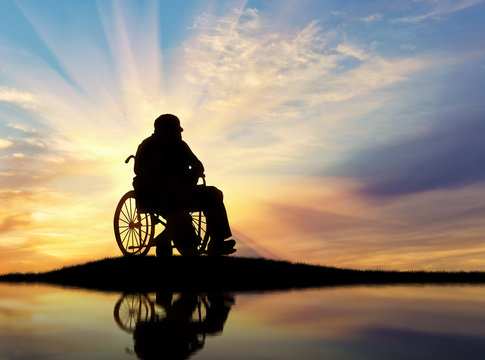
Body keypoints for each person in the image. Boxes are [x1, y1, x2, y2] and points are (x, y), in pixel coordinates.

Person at [133, 114, 236, 255]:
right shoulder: (147, 146)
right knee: (179, 213)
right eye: (176, 130)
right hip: (156, 195)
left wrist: (190, 180)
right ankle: (175, 239)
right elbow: (139, 171)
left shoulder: (180, 145)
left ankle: (217, 242)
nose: (180, 133)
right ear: (166, 130)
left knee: (214, 193)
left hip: (183, 192)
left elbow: (198, 166)